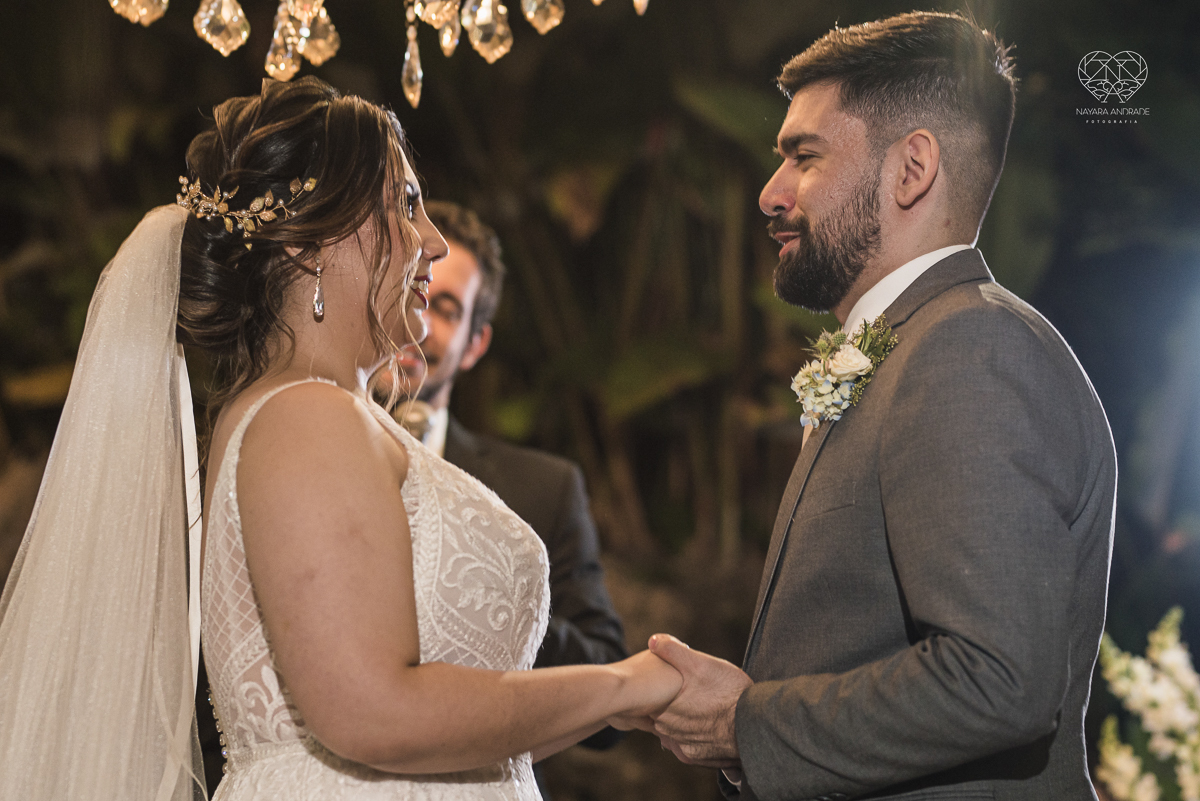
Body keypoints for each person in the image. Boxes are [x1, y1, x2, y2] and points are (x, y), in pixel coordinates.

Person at [0, 77, 681, 801]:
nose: (434, 242)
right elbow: (370, 713)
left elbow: (467, 739)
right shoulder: (304, 416)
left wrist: (632, 697)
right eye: (407, 206)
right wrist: (619, 683)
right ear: (309, 244)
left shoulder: (314, 411)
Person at [635, 12, 1117, 801]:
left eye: (804, 156)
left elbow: (997, 676)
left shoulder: (970, 349)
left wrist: (745, 723)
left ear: (911, 169)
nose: (770, 191)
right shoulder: (922, 344)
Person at [388, 201, 629, 798]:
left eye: (445, 309)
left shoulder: (542, 491)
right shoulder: (300, 452)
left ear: (475, 343)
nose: (418, 321)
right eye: (409, 291)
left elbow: (606, 684)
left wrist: (498, 600)